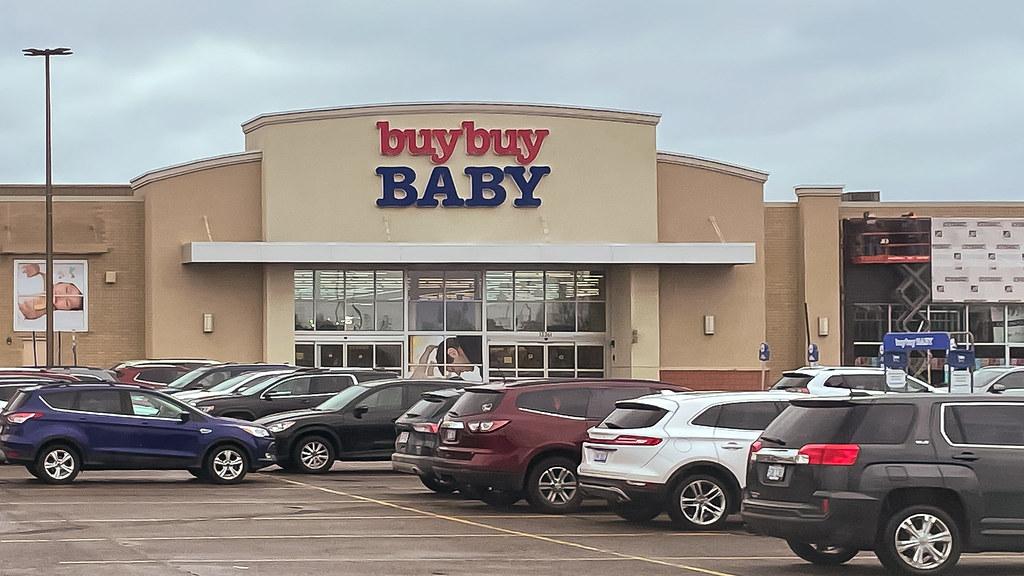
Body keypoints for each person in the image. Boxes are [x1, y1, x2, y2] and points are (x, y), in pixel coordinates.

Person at [16, 263, 84, 320]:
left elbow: (31, 314)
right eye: (66, 290)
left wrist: (30, 313)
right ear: (61, 282)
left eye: (67, 303)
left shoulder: (46, 309)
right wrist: (34, 267)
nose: (61, 296)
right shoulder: (45, 277)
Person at [410, 336, 482, 382]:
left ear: (453, 353)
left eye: (453, 369)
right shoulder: (483, 364)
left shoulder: (484, 356)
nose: (458, 374)